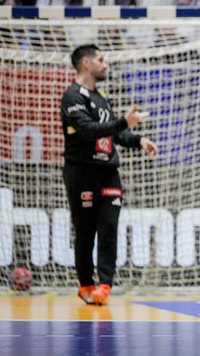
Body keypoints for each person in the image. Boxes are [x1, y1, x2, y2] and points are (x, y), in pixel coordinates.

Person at [61, 44, 157, 305]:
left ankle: (104, 285)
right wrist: (124, 122)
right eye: (101, 59)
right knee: (85, 232)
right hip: (82, 172)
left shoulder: (101, 96)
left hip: (108, 172)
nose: (106, 64)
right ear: (86, 64)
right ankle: (86, 284)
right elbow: (88, 130)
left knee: (109, 227)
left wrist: (138, 140)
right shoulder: (72, 96)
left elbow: (114, 133)